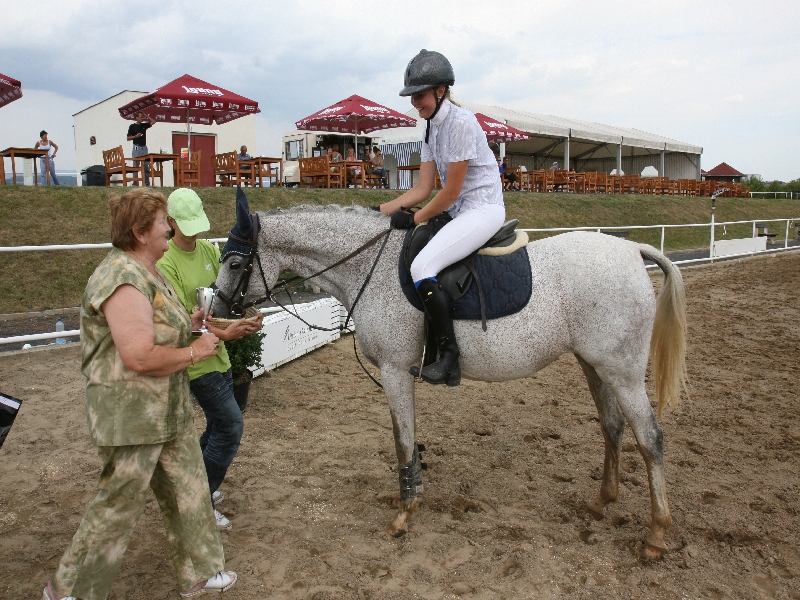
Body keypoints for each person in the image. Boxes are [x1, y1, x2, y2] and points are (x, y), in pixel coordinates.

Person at [44, 189, 237, 600]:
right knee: (118, 504)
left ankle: (201, 571)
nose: (170, 227)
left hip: (166, 410)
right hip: (130, 415)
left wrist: (196, 325)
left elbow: (163, 327)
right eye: (163, 222)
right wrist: (193, 351)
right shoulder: (121, 277)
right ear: (139, 231)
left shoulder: (149, 271)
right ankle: (68, 591)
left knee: (190, 490)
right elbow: (138, 355)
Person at [378, 49, 505, 387]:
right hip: (459, 209)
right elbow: (422, 188)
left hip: (482, 208)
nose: (415, 103)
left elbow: (449, 192)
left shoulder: (462, 122)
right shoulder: (431, 129)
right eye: (413, 97)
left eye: (419, 96)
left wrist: (416, 218)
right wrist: (383, 211)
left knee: (423, 267)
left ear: (440, 90)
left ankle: (449, 358)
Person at [157, 188, 263, 531]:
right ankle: (199, 500)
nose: (195, 232)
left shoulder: (207, 249)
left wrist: (241, 320)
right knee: (231, 425)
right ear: (170, 222)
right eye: (185, 225)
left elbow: (221, 303)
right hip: (194, 359)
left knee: (219, 425)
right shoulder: (166, 262)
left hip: (216, 354)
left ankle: (191, 488)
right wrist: (224, 331)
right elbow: (179, 323)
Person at [126, 111, 154, 185]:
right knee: (136, 166)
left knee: (145, 167)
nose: (142, 119)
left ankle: (147, 184)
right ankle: (135, 183)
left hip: (144, 148)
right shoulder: (132, 126)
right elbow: (128, 138)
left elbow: (154, 121)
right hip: (137, 148)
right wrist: (136, 136)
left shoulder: (144, 125)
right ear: (137, 117)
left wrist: (146, 115)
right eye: (141, 117)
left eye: (142, 117)